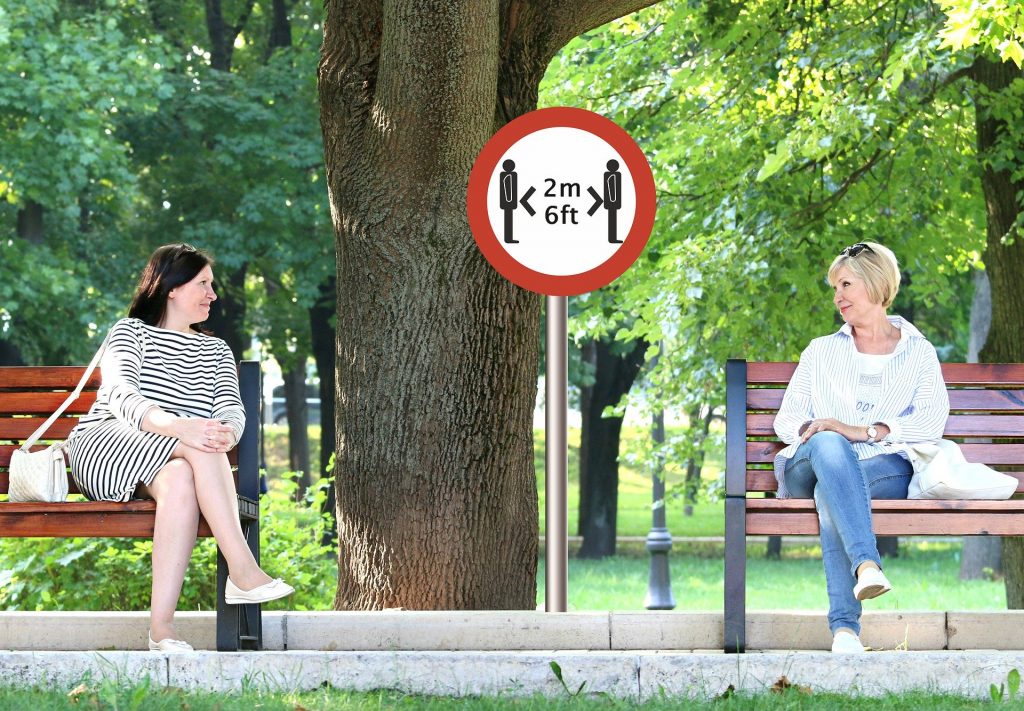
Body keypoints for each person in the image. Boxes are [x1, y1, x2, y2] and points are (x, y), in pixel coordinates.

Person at [67, 244, 293, 652]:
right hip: (107, 444)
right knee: (198, 447)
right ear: (172, 287)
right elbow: (121, 396)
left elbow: (229, 407)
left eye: (212, 285)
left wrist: (226, 432)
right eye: (203, 283)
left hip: (174, 458)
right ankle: (243, 571)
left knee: (185, 473)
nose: (213, 294)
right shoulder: (130, 332)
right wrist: (181, 428)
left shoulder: (215, 349)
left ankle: (162, 628)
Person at [773, 242, 948, 654]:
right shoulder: (821, 351)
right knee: (830, 449)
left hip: (883, 467)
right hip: (809, 464)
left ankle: (845, 632)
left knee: (831, 489)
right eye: (835, 287)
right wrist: (824, 432)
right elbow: (786, 418)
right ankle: (866, 564)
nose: (838, 297)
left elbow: (931, 421)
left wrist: (863, 431)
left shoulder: (918, 353)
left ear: (875, 285)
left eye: (846, 284)